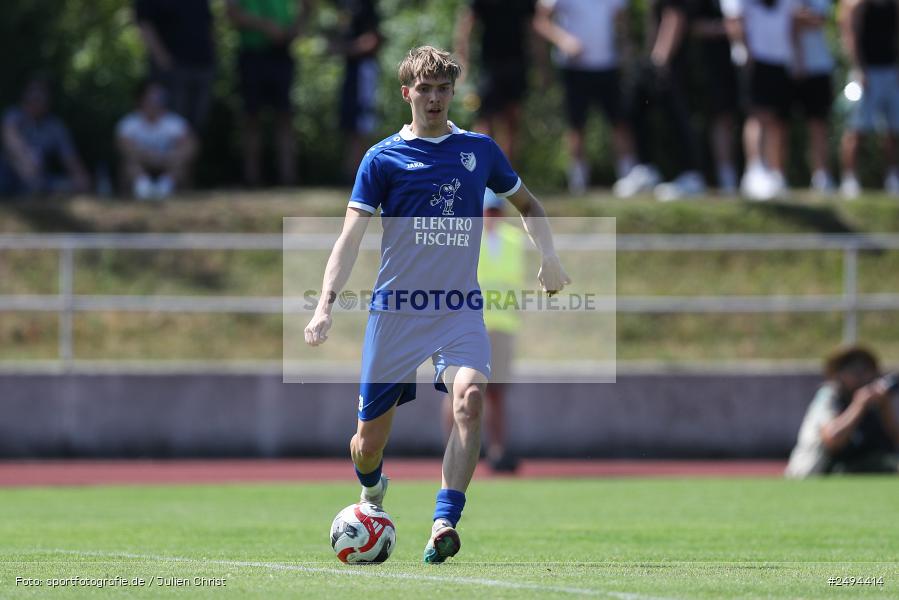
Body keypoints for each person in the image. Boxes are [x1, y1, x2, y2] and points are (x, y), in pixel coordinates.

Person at [304, 46, 570, 563]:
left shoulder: (479, 151)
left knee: (470, 397)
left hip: (458, 309)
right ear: (407, 93)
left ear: (453, 93)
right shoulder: (381, 158)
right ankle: (373, 492)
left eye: (442, 89)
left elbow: (529, 204)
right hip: (395, 313)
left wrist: (550, 256)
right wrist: (324, 305)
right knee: (367, 445)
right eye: (423, 89)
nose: (433, 98)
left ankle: (444, 519)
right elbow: (349, 239)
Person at [441, 190, 526, 473]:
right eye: (487, 211)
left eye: (496, 211)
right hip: (468, 325)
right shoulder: (462, 240)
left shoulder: (513, 241)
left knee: (496, 392)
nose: (492, 217)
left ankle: (497, 451)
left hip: (501, 326)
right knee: (457, 389)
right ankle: (453, 448)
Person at [533, 0, 639, 194]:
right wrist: (564, 40)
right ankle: (579, 182)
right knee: (576, 125)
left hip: (608, 65)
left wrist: (626, 50)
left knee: (620, 122)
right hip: (574, 67)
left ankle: (628, 178)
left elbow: (622, 21)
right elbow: (541, 20)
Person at [614, 0, 708, 200]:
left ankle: (691, 174)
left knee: (677, 118)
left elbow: (675, 16)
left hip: (671, 63)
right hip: (659, 61)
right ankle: (646, 169)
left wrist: (659, 60)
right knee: (635, 109)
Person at [226, 0, 311, 187]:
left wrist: (294, 29)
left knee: (285, 116)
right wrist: (264, 26)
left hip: (282, 53)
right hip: (252, 53)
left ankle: (288, 178)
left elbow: (307, 6)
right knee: (251, 116)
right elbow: (231, 12)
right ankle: (251, 178)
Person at [786, 346, 899, 477]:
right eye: (855, 370)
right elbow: (833, 439)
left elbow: (894, 442)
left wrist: (885, 407)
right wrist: (858, 405)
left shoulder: (878, 401)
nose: (862, 376)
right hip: (822, 471)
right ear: (839, 374)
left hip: (860, 466)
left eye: (867, 370)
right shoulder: (829, 396)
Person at [723, 0, 795, 201]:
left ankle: (775, 173)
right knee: (758, 116)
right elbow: (734, 20)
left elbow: (791, 20)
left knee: (778, 120)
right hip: (754, 59)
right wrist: (746, 52)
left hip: (781, 59)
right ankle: (754, 171)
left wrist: (795, 55)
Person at [454, 0, 537, 166]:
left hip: (518, 64)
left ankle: (505, 176)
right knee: (485, 120)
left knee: (512, 122)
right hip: (489, 66)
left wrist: (541, 65)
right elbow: (466, 25)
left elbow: (533, 28)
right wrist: (463, 62)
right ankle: (481, 172)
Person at [838, 0, 899, 198]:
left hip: (890, 70)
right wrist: (858, 68)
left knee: (892, 130)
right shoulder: (858, 5)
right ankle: (849, 179)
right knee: (857, 129)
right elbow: (849, 35)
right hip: (866, 73)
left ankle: (892, 177)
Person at [0, 78, 90, 197]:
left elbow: (70, 158)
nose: (36, 101)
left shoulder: (55, 126)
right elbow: (11, 140)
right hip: (7, 174)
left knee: (66, 184)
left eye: (40, 98)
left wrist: (80, 177)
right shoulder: (13, 116)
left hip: (40, 178)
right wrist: (27, 160)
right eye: (32, 97)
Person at [134, 0, 216, 131]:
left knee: (198, 123)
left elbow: (208, 21)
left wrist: (213, 55)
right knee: (171, 123)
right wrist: (162, 59)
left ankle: (190, 151)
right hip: (171, 69)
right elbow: (144, 22)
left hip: (203, 65)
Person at [116, 80, 197, 200]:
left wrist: (173, 156)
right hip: (142, 164)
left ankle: (165, 188)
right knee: (130, 165)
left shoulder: (174, 122)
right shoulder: (129, 123)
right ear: (141, 99)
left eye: (159, 98)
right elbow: (124, 147)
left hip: (168, 163)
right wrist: (148, 156)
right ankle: (143, 188)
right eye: (151, 97)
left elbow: (191, 146)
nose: (155, 101)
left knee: (180, 166)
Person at [691, 0, 740, 194]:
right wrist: (727, 29)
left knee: (737, 118)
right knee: (720, 118)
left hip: (742, 63)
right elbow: (693, 25)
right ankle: (725, 176)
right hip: (712, 65)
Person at [332, 0, 382, 182]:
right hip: (351, 70)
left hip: (364, 69)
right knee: (350, 120)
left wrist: (344, 49)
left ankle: (365, 171)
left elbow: (372, 40)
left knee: (363, 120)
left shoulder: (366, 6)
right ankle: (351, 170)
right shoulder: (346, 5)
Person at [792, 0, 836, 194]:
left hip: (819, 67)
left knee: (819, 123)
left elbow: (820, 19)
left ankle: (821, 175)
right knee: (778, 125)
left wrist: (797, 18)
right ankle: (775, 176)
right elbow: (787, 20)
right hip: (788, 66)